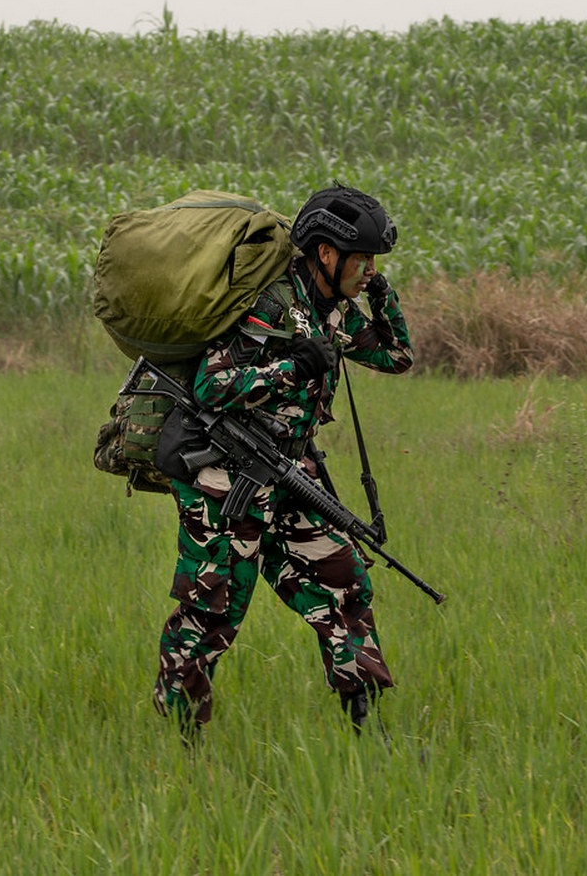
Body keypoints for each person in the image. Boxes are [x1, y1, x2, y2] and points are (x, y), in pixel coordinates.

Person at [150, 183, 414, 743]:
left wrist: (382, 294)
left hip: (290, 472)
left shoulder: (336, 313)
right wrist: (290, 368)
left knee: (345, 585)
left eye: (373, 261)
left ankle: (367, 727)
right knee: (214, 609)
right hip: (226, 476)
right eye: (362, 259)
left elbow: (396, 356)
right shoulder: (272, 305)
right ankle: (179, 737)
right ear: (326, 253)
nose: (367, 268)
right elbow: (211, 385)